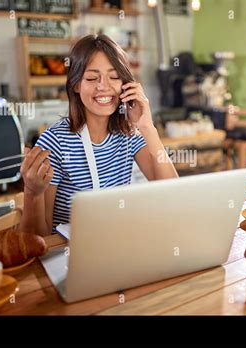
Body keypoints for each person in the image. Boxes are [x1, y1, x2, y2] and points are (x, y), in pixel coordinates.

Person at [19, 34, 178, 236]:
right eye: (92, 78)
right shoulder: (56, 142)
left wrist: (147, 126)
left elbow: (171, 193)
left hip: (115, 242)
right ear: (76, 84)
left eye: (114, 77)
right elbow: (38, 238)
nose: (104, 86)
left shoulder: (129, 133)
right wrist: (32, 193)